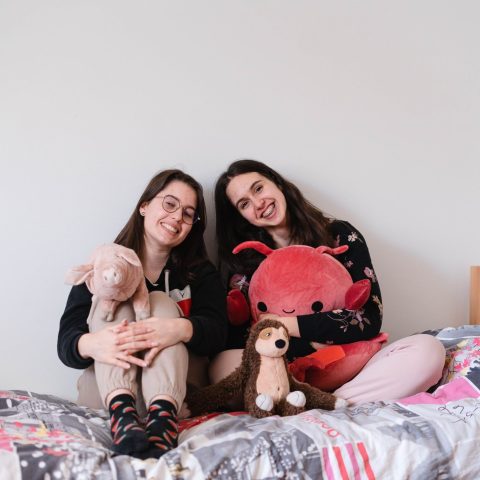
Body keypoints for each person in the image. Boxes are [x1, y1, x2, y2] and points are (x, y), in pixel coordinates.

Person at [210, 159, 445, 405]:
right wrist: (312, 344)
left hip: (351, 367)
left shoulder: (340, 235)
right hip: (283, 373)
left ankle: (329, 402)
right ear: (240, 217)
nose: (258, 203)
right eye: (244, 204)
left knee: (427, 350)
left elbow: (368, 318)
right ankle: (307, 400)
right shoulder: (245, 262)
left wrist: (285, 324)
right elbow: (243, 338)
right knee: (222, 365)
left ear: (277, 183)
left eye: (258, 188)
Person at [58, 169, 227, 459]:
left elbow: (218, 334)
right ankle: (123, 416)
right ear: (144, 206)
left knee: (159, 300)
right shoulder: (106, 265)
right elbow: (65, 342)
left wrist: (178, 329)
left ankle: (162, 422)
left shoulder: (200, 273)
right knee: (116, 297)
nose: (177, 217)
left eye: (188, 214)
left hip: (174, 395)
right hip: (108, 395)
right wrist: (93, 343)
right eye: (170, 204)